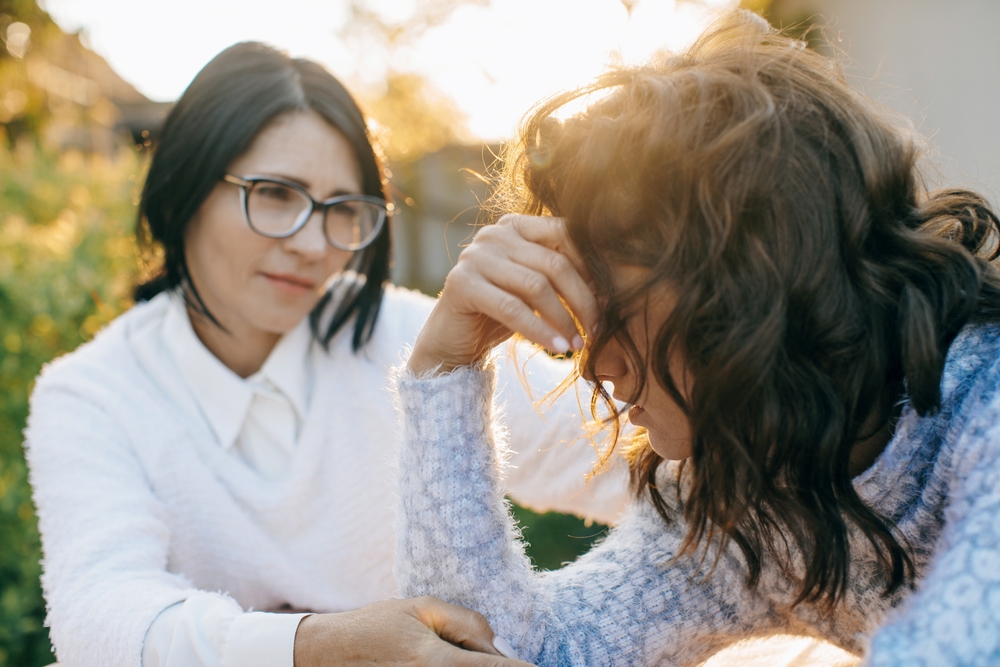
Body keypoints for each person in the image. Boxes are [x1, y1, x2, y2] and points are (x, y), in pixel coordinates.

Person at [394, 12, 1000, 666]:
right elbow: (506, 653)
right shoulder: (749, 493)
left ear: (746, 280)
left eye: (613, 305)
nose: (595, 363)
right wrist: (444, 372)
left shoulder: (985, 393)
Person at [23, 42, 628, 667]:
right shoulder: (91, 394)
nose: (314, 244)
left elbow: (638, 461)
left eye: (343, 209)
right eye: (276, 194)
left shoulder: (403, 337)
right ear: (186, 189)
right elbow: (99, 620)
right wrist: (324, 645)